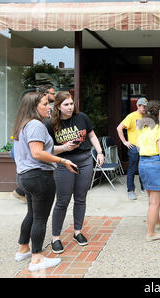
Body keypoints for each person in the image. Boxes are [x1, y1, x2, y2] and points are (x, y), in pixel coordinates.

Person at [12, 92, 77, 272]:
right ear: (34, 107)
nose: (49, 107)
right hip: (39, 176)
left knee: (32, 214)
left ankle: (23, 248)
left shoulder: (23, 124)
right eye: (45, 104)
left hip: (25, 177)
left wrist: (64, 148)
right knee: (40, 218)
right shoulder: (36, 125)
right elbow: (38, 153)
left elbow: (44, 148)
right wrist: (63, 161)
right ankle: (37, 259)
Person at [45, 91, 105, 254]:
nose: (70, 107)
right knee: (62, 201)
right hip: (64, 162)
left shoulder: (82, 117)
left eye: (71, 104)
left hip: (85, 160)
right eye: (66, 104)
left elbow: (92, 136)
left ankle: (77, 231)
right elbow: (46, 149)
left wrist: (99, 152)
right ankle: (55, 237)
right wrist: (65, 147)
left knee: (80, 198)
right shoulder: (50, 124)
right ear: (58, 106)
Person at [137, 100, 160, 242]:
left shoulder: (143, 128)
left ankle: (156, 222)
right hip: (155, 164)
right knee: (154, 202)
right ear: (159, 114)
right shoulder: (159, 129)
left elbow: (141, 146)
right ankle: (150, 233)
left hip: (143, 163)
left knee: (151, 198)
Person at [117, 97, 148, 200]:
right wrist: (125, 142)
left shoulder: (147, 117)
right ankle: (130, 190)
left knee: (143, 168)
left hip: (144, 147)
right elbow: (119, 128)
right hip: (134, 147)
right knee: (132, 169)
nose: (144, 108)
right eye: (143, 106)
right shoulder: (131, 116)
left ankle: (144, 187)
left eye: (145, 106)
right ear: (138, 106)